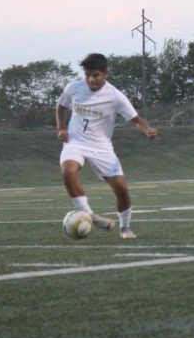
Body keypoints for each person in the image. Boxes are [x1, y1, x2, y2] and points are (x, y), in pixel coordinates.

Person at [56, 53, 158, 239]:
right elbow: (61, 107)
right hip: (75, 142)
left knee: (121, 189)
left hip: (101, 147)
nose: (91, 79)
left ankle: (125, 227)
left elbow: (135, 119)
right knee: (68, 171)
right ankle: (90, 215)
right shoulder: (74, 88)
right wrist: (61, 128)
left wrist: (147, 130)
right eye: (87, 75)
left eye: (96, 75)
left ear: (105, 74)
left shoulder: (115, 96)